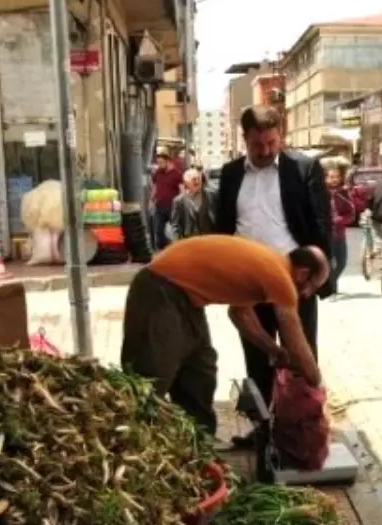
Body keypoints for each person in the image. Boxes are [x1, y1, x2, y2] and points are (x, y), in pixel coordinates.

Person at [120, 235, 328, 434]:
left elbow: (240, 314)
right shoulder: (281, 278)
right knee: (152, 375)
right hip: (160, 289)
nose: (309, 294)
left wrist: (272, 349)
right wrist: (317, 384)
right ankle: (129, 441)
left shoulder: (270, 266)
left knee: (201, 371)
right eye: (314, 286)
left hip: (187, 298)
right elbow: (296, 343)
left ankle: (200, 450)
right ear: (302, 273)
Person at [215, 105, 333, 447]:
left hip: (292, 282)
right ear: (245, 139)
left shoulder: (303, 168)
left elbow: (320, 225)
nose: (265, 151)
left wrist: (316, 277)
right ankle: (262, 432)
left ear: (280, 136)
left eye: (271, 143)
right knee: (257, 357)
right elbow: (224, 227)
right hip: (248, 282)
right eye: (257, 145)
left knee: (301, 355)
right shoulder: (231, 173)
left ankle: (303, 427)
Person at [325, 163, 355, 293]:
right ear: (325, 178)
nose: (334, 180)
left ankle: (332, 281)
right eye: (331, 177)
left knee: (342, 262)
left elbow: (351, 214)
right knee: (329, 263)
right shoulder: (320, 193)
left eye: (336, 177)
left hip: (339, 234)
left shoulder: (344, 193)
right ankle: (332, 287)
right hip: (325, 234)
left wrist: (340, 220)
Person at [150, 149, 184, 251]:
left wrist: (182, 204)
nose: (159, 165)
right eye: (158, 163)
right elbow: (155, 187)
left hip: (172, 207)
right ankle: (164, 249)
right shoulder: (158, 173)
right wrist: (151, 200)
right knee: (158, 230)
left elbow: (182, 190)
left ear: (168, 161)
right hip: (160, 205)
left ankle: (178, 248)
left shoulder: (177, 174)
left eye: (161, 163)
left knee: (175, 230)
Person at [169, 168, 215, 240]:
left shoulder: (211, 195)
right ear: (186, 182)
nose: (197, 182)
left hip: (210, 238)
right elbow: (175, 225)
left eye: (198, 179)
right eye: (194, 179)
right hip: (190, 240)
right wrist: (177, 243)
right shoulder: (179, 201)